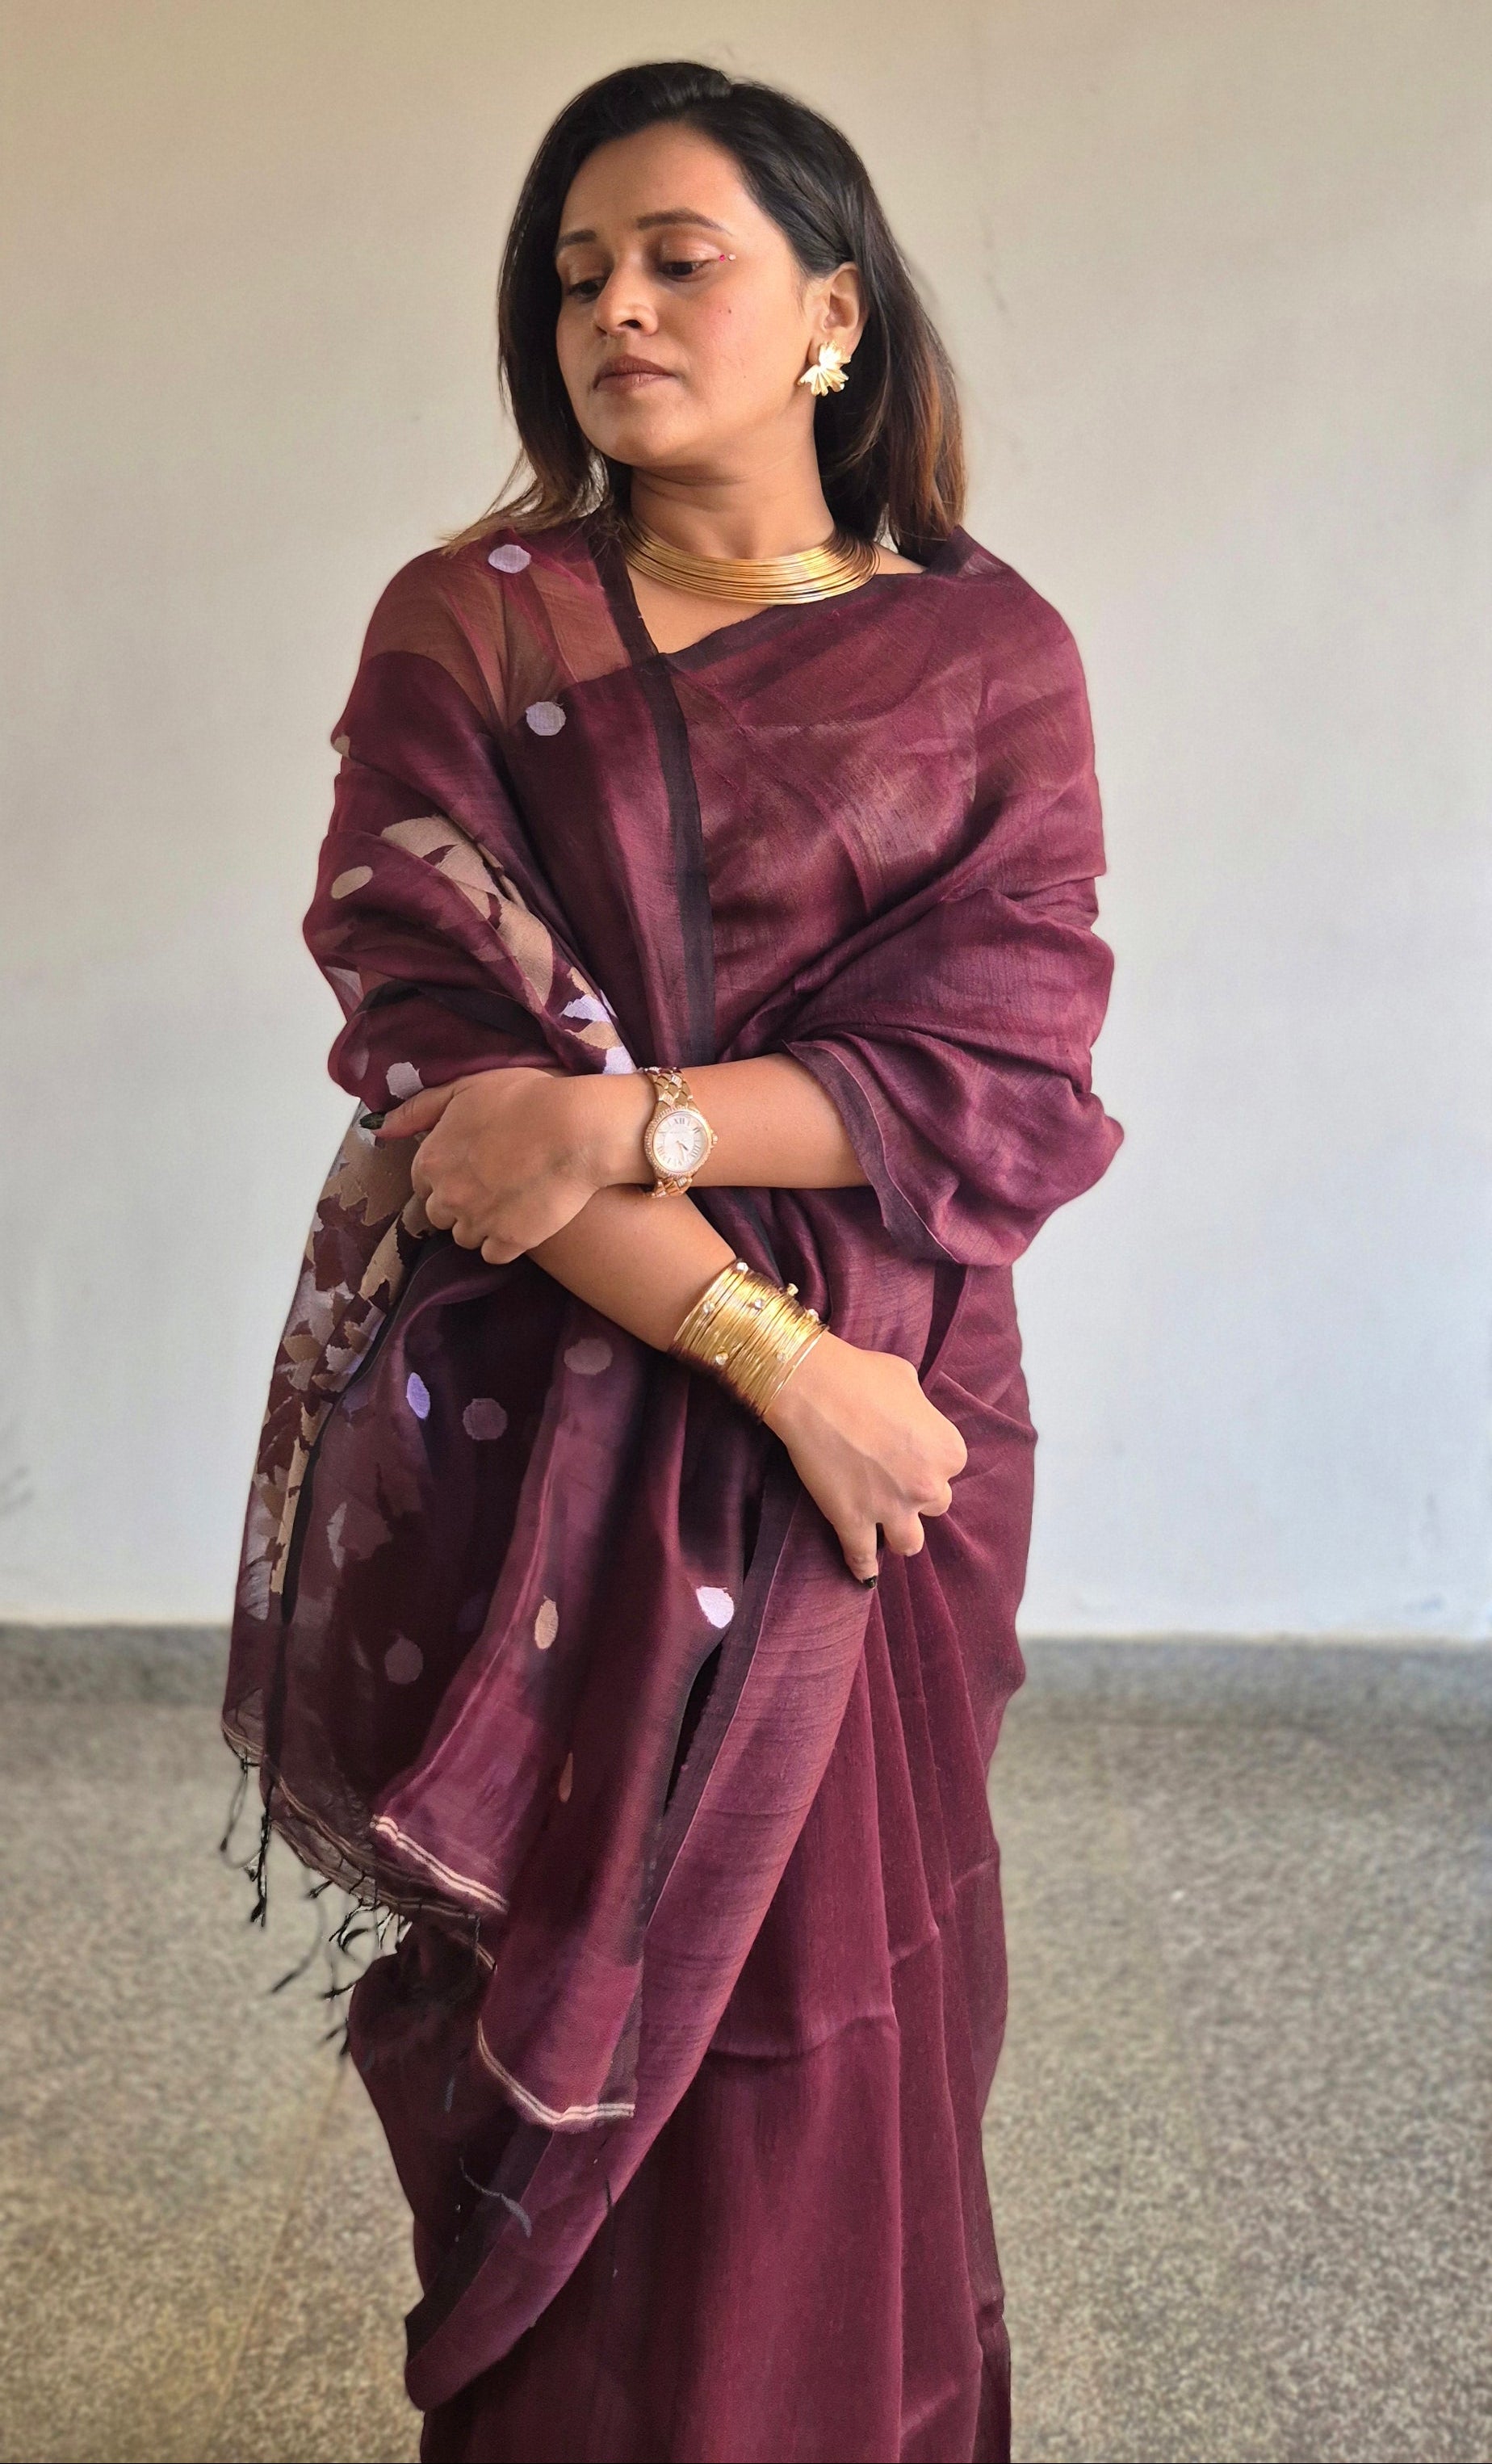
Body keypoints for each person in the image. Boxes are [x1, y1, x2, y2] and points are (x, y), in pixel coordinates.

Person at [222, 58, 1121, 2464]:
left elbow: (1003, 1064)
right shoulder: (474, 628)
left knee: (847, 2028)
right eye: (574, 270)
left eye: (675, 257)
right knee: (620, 2031)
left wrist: (633, 1120)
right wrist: (762, 1347)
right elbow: (436, 1069)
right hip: (581, 1432)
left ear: (830, 314)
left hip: (915, 1399)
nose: (611, 304)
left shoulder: (987, 654)